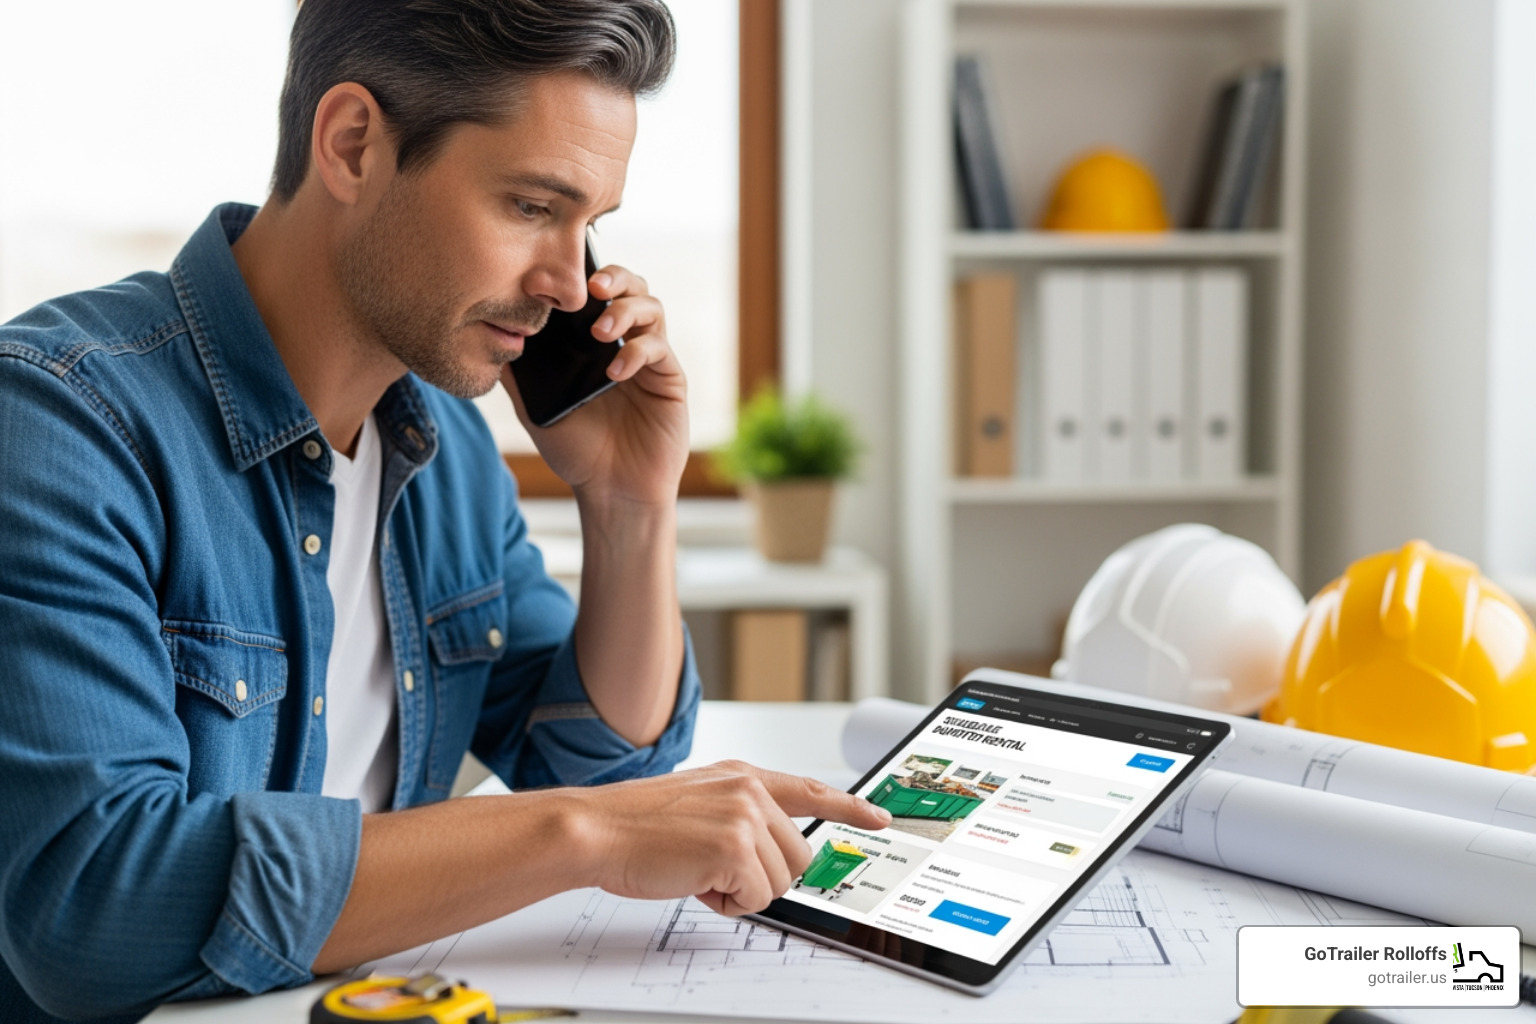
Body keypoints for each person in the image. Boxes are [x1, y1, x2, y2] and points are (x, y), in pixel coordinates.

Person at [0, 2, 889, 1020]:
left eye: (589, 224)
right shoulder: (61, 424)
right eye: (529, 205)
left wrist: (629, 502)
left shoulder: (444, 440)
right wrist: (585, 833)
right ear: (353, 144)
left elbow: (597, 759)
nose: (568, 284)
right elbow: (93, 913)